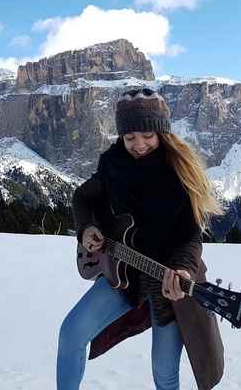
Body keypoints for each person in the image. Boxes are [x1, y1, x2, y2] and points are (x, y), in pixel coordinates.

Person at [56, 87, 225, 390]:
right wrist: (86, 229)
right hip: (122, 275)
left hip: (167, 284)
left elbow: (191, 236)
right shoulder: (113, 164)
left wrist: (184, 271)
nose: (138, 145)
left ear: (161, 131)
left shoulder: (178, 173)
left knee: (163, 372)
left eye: (147, 135)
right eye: (129, 137)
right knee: (70, 334)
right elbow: (82, 197)